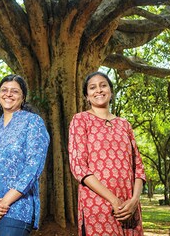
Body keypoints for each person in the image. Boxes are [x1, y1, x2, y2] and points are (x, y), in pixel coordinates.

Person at [68, 71, 146, 236]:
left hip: (129, 206)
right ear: (87, 96)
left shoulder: (124, 124)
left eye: (103, 85)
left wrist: (134, 201)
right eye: (92, 87)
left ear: (111, 92)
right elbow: (79, 167)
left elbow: (138, 167)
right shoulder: (80, 120)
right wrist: (113, 200)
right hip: (97, 205)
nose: (99, 90)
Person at [0, 74, 50, 236]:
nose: (8, 94)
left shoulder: (33, 122)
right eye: (4, 90)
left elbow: (33, 167)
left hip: (17, 208)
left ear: (23, 97)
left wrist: (3, 206)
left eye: (14, 91)